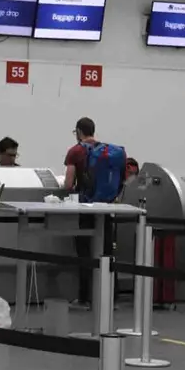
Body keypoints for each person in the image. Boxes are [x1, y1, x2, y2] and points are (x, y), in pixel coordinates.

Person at [63, 117, 113, 309]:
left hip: (85, 207)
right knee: (107, 251)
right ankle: (109, 298)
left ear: (78, 131)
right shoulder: (107, 150)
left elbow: (68, 184)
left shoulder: (75, 151)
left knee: (84, 251)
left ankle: (85, 298)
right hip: (106, 207)